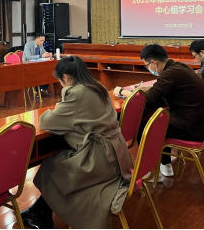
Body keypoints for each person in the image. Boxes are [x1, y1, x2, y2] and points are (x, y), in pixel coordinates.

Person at [22, 56, 132, 229]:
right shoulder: (98, 86)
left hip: (100, 160)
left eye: (60, 81)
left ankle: (42, 214)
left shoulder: (77, 93)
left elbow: (46, 122)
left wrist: (58, 104)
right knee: (58, 161)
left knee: (50, 166)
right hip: (118, 153)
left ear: (66, 77)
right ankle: (39, 211)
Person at [115, 44, 204, 178]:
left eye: (147, 66)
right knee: (161, 119)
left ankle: (149, 173)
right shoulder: (178, 67)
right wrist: (143, 89)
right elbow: (162, 89)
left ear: (154, 63)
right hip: (202, 124)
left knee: (144, 128)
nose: (148, 69)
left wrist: (122, 91)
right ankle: (165, 165)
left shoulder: (170, 73)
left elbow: (147, 99)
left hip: (193, 129)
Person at [23, 32, 53, 97]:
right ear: (36, 39)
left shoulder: (40, 46)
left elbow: (44, 52)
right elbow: (29, 57)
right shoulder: (28, 45)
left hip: (38, 66)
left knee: (49, 71)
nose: (42, 42)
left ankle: (42, 89)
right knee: (40, 73)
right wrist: (41, 56)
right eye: (41, 41)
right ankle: (37, 90)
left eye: (43, 41)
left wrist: (48, 54)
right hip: (28, 66)